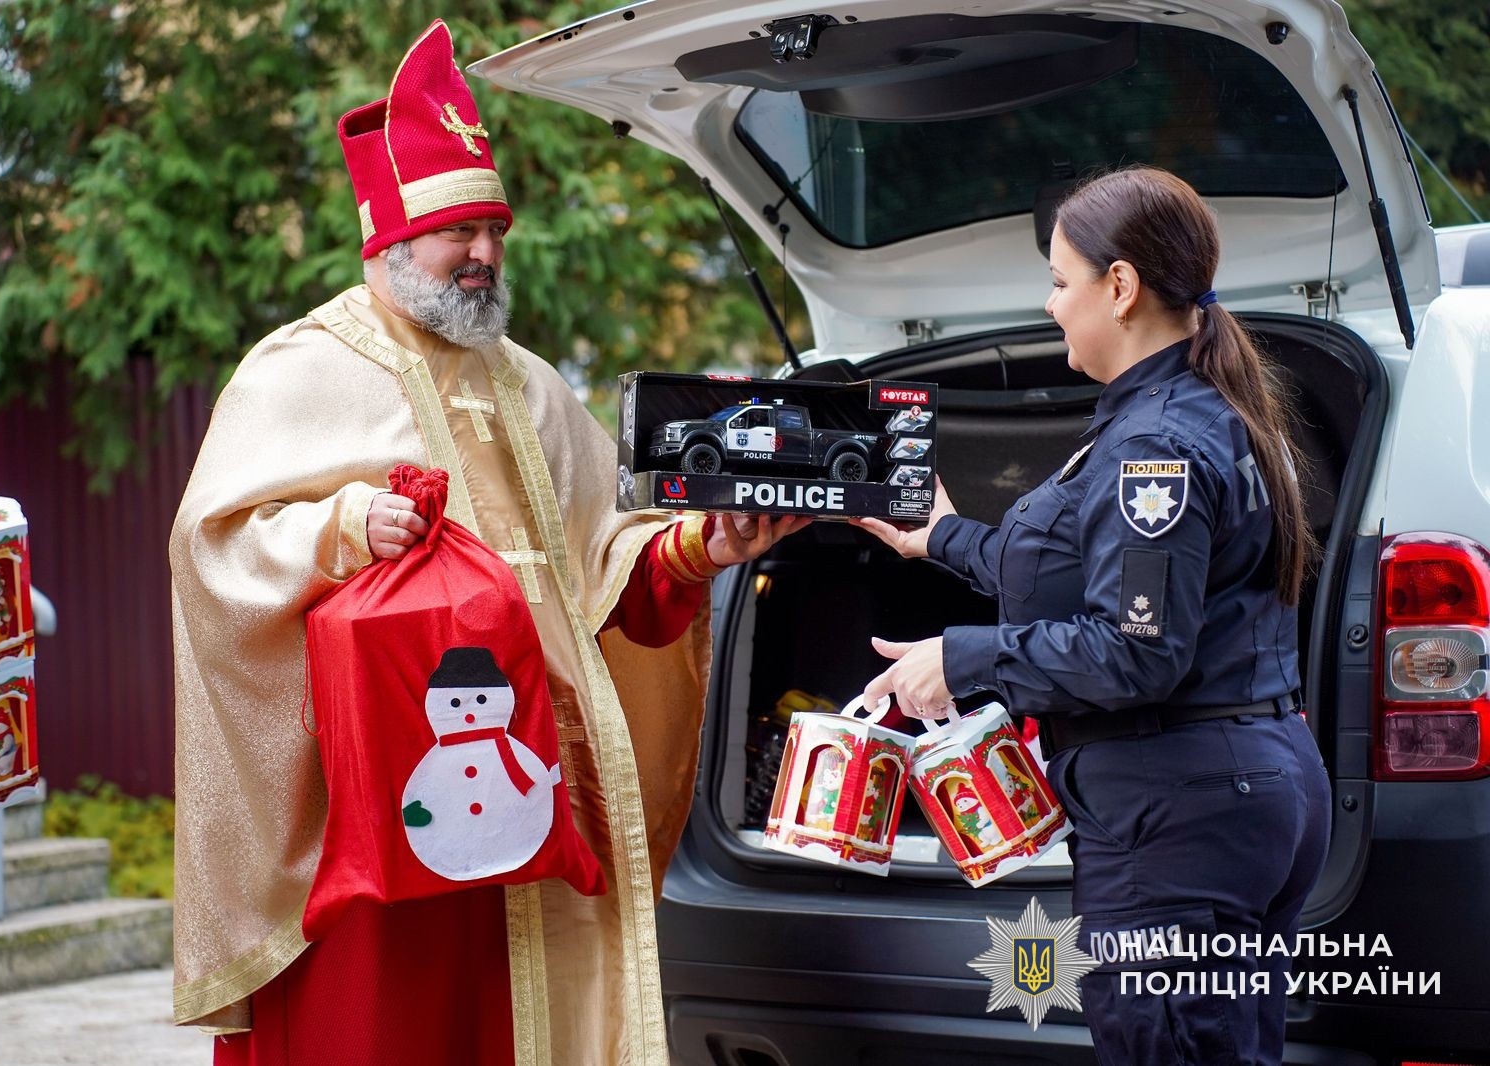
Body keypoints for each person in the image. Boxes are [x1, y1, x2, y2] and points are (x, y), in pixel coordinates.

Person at [167, 20, 802, 1065]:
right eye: (458, 232)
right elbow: (216, 553)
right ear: (389, 239)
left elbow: (602, 562)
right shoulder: (299, 369)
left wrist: (699, 547)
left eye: (496, 230)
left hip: (531, 794)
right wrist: (342, 528)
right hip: (379, 810)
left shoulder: (530, 383)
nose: (485, 255)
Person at [857, 167, 1331, 1065]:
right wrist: (943, 538)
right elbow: (1081, 570)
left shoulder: (1154, 446)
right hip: (1239, 797)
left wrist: (960, 660)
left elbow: (1136, 651)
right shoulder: (1201, 413)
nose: (1049, 305)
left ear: (1120, 287)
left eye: (1058, 280)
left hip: (1178, 820)